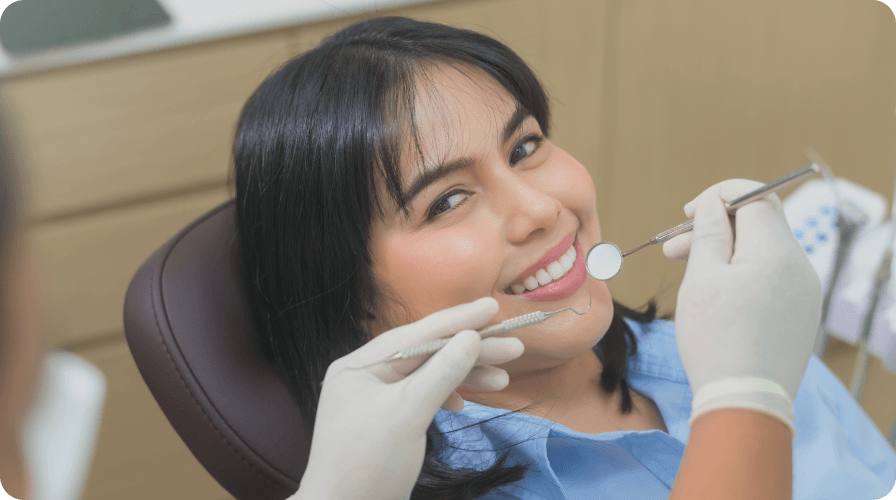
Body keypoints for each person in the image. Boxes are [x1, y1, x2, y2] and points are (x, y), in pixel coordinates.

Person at [229, 16, 896, 500]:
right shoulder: (748, 366)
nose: (542, 210)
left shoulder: (733, 342)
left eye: (524, 148)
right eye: (447, 200)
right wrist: (747, 394)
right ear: (353, 297)